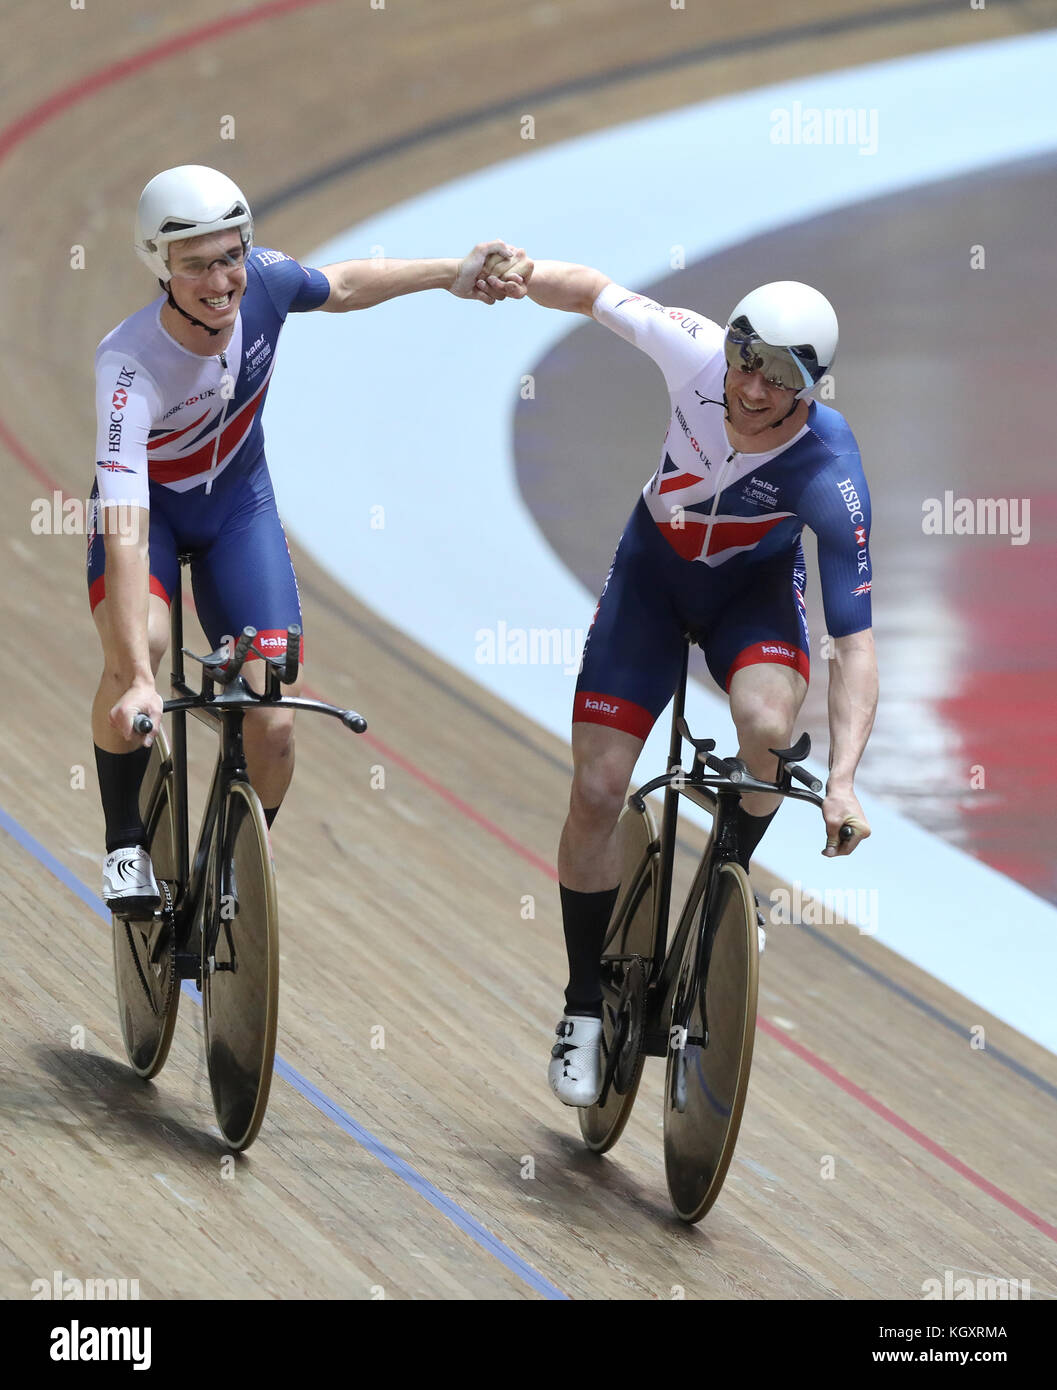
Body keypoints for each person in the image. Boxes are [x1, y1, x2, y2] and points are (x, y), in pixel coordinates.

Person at [476, 256, 878, 1106]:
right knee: (595, 789)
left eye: (780, 376)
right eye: (745, 359)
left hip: (750, 600)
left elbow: (854, 641)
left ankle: (721, 896)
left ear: (811, 388)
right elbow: (589, 292)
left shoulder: (830, 470)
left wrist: (840, 782)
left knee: (769, 727)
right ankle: (583, 1005)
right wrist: (519, 271)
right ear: (725, 345)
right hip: (650, 587)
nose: (752, 386)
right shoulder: (692, 351)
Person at [93, 163, 526, 916]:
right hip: (151, 518)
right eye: (195, 264)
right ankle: (126, 842)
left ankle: (235, 866)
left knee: (275, 721)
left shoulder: (265, 281)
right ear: (158, 266)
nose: (220, 280)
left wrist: (449, 274)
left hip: (236, 509)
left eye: (229, 255)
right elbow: (126, 527)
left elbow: (346, 284)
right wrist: (135, 673)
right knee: (147, 647)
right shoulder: (127, 365)